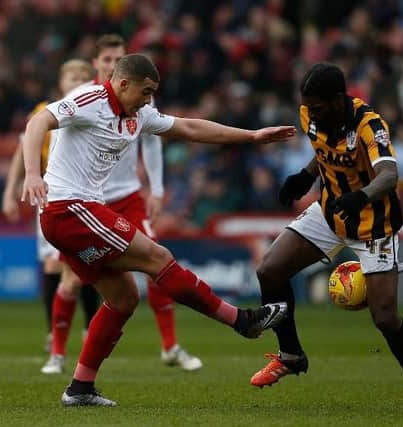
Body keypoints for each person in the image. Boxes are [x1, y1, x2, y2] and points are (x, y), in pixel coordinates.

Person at [21, 53, 295, 407]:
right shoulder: (90, 99)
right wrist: (31, 173)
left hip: (75, 216)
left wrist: (253, 136)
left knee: (124, 299)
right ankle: (242, 320)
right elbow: (38, 121)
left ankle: (80, 388)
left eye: (152, 92)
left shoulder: (138, 115)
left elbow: (191, 128)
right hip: (70, 209)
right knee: (158, 257)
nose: (148, 99)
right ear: (122, 84)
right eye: (145, 91)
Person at [248, 63, 403, 411]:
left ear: (339, 99)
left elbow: (389, 175)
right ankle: (290, 355)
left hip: (373, 223)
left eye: (318, 107)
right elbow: (324, 153)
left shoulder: (370, 124)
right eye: (308, 106)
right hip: (330, 211)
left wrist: (361, 196)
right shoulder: (310, 114)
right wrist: (306, 176)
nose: (311, 114)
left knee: (384, 316)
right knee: (269, 271)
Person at [41, 34, 202, 375]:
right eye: (106, 59)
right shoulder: (81, 99)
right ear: (98, 64)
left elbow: (159, 138)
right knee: (71, 280)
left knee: (155, 261)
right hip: (81, 204)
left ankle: (170, 346)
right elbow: (50, 134)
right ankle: (57, 354)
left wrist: (156, 189)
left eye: (119, 57)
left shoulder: (140, 102)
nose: (112, 63)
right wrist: (39, 181)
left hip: (126, 196)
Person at [2, 59, 100, 353]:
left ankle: (89, 328)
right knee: (53, 263)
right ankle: (53, 333)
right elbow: (22, 152)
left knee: (89, 261)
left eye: (84, 75)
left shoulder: (95, 107)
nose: (79, 80)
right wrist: (10, 191)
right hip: (50, 192)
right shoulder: (44, 112)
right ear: (61, 82)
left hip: (89, 191)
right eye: (73, 75)